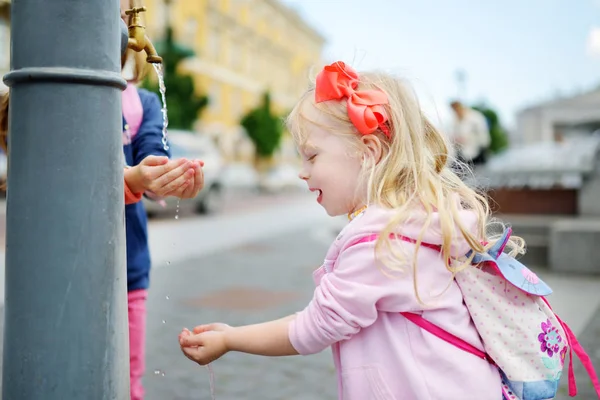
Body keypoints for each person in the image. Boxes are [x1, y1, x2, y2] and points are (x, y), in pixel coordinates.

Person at [178, 61, 523, 399]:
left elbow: (313, 328)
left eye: (312, 157)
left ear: (368, 153)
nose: (302, 171)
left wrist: (230, 339)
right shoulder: (412, 221)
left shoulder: (381, 241)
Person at [450, 100, 491, 166]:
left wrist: (467, 139)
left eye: (457, 109)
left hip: (477, 152)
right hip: (463, 154)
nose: (456, 112)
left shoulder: (476, 117)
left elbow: (483, 135)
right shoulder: (455, 120)